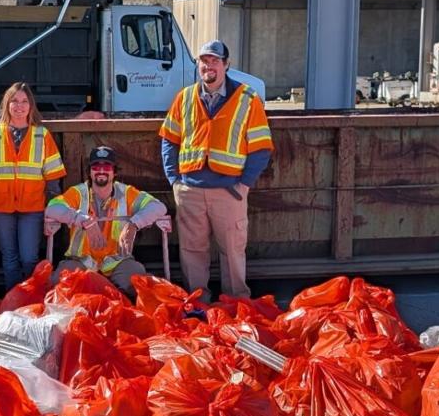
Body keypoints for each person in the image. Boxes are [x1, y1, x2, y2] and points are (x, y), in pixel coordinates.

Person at [159, 39, 274, 300]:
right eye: (204, 61)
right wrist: (175, 182)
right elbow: (169, 140)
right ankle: (198, 305)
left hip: (229, 191)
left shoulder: (247, 99)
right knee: (192, 252)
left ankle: (236, 306)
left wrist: (243, 185)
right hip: (191, 190)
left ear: (226, 65)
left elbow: (261, 147)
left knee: (233, 252)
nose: (208, 65)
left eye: (214, 61)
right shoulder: (185, 97)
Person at [0, 82, 66, 289]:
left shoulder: (41, 135)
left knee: (29, 257)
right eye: (14, 101)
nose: (19, 106)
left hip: (33, 208)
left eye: (24, 101)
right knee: (9, 257)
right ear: (7, 105)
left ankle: (32, 297)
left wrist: (51, 208)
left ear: (31, 106)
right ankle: (12, 300)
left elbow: (53, 177)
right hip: (1, 206)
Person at [44, 144, 170, 296]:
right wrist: (84, 221)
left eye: (107, 167)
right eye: (96, 167)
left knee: (138, 284)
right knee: (60, 283)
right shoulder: (78, 193)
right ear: (89, 172)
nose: (101, 171)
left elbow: (158, 207)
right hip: (81, 261)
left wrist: (134, 224)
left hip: (117, 261)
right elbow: (52, 208)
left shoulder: (127, 193)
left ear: (114, 172)